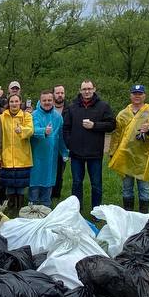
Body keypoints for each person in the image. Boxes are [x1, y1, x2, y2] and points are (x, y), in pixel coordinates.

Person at [61, 79, 116, 215]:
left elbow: (112, 125)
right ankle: (76, 211)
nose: (87, 91)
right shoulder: (73, 107)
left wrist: (95, 125)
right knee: (77, 183)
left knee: (96, 184)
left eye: (89, 89)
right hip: (76, 153)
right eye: (84, 89)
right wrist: (70, 144)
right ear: (80, 91)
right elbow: (66, 128)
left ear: (94, 89)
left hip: (95, 153)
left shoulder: (103, 106)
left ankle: (96, 212)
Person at [109, 84, 149, 213]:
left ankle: (143, 216)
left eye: (140, 94)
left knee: (144, 188)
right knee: (127, 187)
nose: (137, 96)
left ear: (144, 95)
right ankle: (128, 214)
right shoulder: (122, 114)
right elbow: (116, 135)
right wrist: (112, 151)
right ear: (130, 95)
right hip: (125, 156)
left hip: (142, 157)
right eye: (134, 93)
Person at [0, 92, 34, 214]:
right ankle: (11, 207)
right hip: (6, 156)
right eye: (11, 101)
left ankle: (20, 207)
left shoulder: (26, 116)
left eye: (16, 101)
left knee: (21, 186)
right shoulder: (2, 117)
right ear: (8, 103)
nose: (14, 104)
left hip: (22, 157)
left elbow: (30, 130)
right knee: (9, 185)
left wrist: (21, 130)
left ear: (20, 102)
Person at [29, 88, 64, 206]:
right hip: (36, 155)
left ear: (53, 101)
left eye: (49, 100)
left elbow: (61, 136)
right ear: (40, 101)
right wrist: (44, 131)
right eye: (44, 100)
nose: (47, 102)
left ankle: (46, 206)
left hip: (51, 156)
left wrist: (64, 152)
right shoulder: (34, 115)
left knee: (48, 180)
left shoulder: (58, 117)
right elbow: (33, 130)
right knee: (35, 181)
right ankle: (32, 206)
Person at [51, 84, 68, 200]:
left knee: (59, 171)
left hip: (62, 146)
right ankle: (46, 193)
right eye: (57, 93)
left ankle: (56, 195)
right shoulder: (46, 107)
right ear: (53, 94)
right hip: (48, 145)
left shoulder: (70, 109)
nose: (60, 95)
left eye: (62, 93)